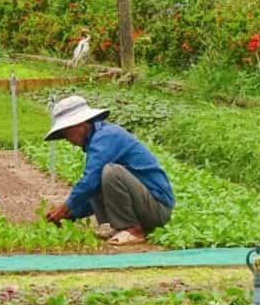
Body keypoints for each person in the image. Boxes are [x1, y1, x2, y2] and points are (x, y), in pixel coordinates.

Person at [44, 95, 173, 245]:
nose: (67, 139)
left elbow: (90, 181)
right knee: (100, 177)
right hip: (145, 205)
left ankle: (133, 230)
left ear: (80, 125)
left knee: (111, 172)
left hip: (157, 208)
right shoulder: (98, 140)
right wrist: (71, 214)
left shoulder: (106, 136)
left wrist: (65, 207)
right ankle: (112, 226)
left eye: (67, 133)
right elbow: (94, 187)